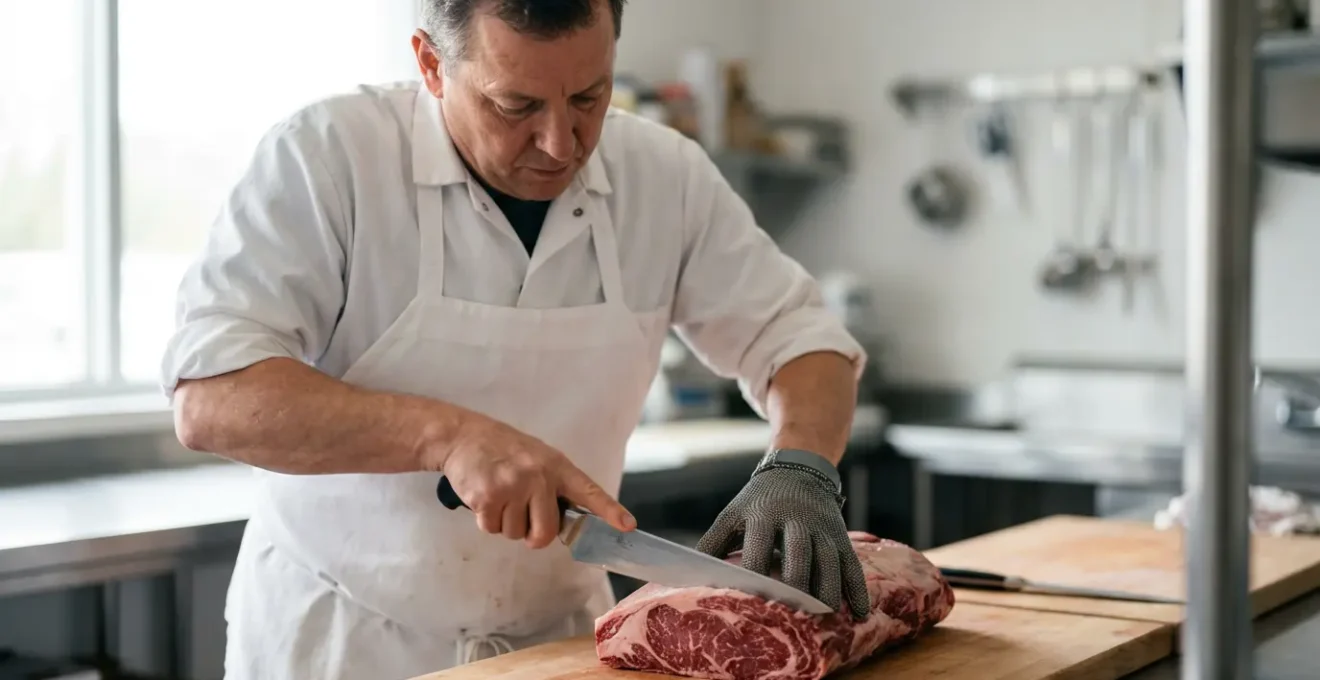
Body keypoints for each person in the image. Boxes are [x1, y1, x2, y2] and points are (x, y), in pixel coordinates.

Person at [163, 0, 871, 678]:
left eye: (590, 98)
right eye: (516, 106)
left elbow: (798, 338)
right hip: (345, 643)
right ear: (431, 65)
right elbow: (213, 396)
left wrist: (801, 464)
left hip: (558, 640)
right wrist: (447, 436)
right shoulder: (328, 159)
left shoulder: (665, 177)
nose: (560, 143)